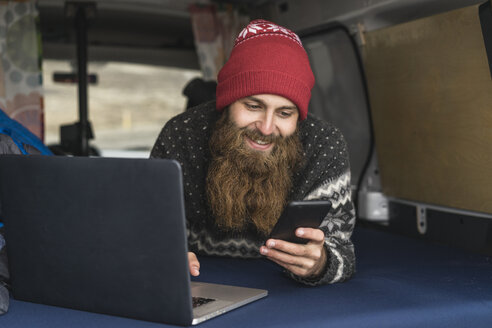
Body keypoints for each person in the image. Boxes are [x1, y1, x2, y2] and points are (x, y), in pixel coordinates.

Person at [150, 19, 355, 286]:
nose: (267, 128)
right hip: (198, 279)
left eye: (284, 113)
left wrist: (320, 263)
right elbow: (150, 227)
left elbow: (342, 249)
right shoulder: (182, 134)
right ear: (227, 102)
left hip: (286, 288)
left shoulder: (324, 144)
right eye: (253, 106)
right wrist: (160, 254)